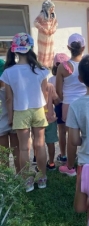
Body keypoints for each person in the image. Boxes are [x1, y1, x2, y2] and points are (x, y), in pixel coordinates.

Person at [1, 33, 49, 191]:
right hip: (38, 110)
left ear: (14, 50)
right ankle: (42, 178)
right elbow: (45, 93)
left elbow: (9, 98)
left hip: (20, 111)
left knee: (23, 148)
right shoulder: (41, 70)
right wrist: (47, 110)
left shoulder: (8, 72)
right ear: (31, 48)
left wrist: (10, 117)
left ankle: (27, 180)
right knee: (40, 145)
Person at [56, 34, 87, 175]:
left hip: (68, 104)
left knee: (71, 137)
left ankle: (70, 166)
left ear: (69, 47)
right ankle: (87, 162)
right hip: (86, 103)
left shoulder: (62, 67)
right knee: (88, 133)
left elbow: (59, 91)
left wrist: (65, 99)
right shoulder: (88, 64)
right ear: (83, 48)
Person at [0, 59, 20, 173]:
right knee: (16, 150)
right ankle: (19, 173)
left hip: (1, 124)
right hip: (13, 119)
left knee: (3, 154)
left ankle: (6, 177)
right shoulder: (11, 87)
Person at [34, 0, 58, 67]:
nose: (53, 9)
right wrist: (43, 29)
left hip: (50, 36)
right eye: (51, 7)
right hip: (43, 37)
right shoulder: (41, 15)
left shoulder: (53, 15)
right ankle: (42, 65)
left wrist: (53, 30)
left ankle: (49, 64)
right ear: (47, 8)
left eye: (53, 7)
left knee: (50, 49)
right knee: (43, 51)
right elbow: (35, 22)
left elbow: (56, 24)